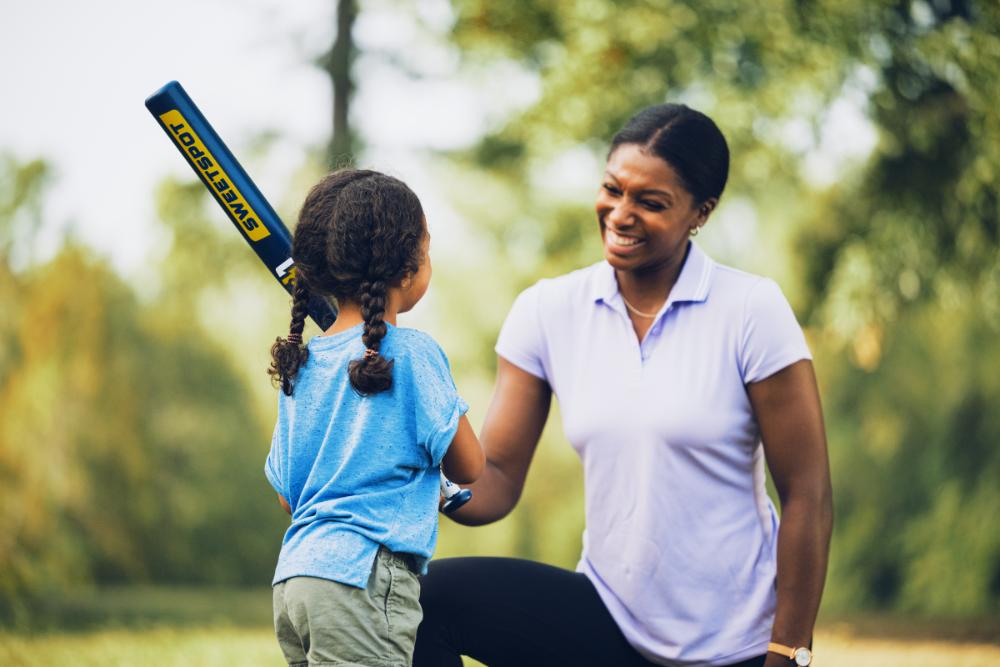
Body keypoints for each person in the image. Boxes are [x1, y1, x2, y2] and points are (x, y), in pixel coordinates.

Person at [413, 105, 833, 667]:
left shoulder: (751, 310)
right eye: (613, 189)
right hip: (607, 623)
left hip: (734, 645)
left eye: (651, 202)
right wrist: (415, 462)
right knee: (426, 601)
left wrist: (788, 651)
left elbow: (808, 494)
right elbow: (496, 479)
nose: (621, 213)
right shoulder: (548, 310)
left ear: (700, 213)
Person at [264, 169, 485, 667]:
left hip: (296, 578)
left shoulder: (302, 363)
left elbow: (286, 495)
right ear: (410, 268)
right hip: (364, 579)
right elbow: (470, 465)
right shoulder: (413, 354)